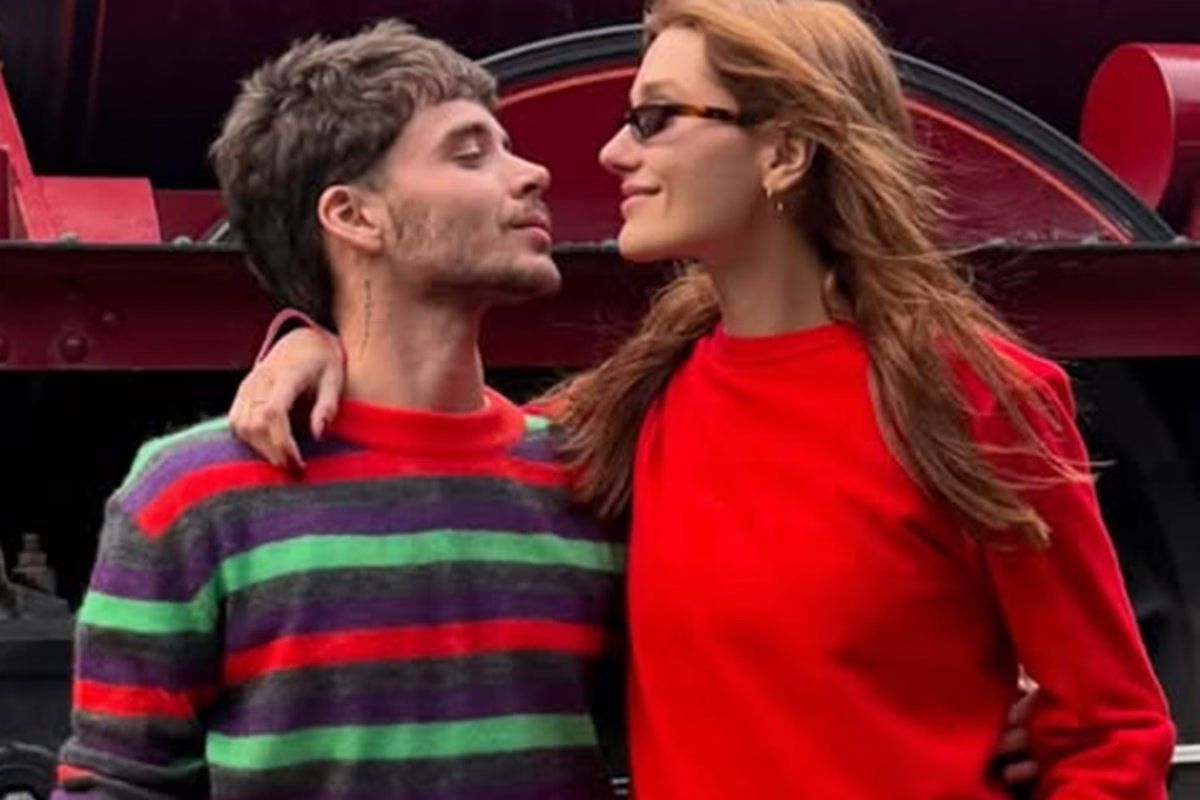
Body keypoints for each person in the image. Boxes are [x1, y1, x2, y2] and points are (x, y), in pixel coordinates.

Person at [227, 0, 1167, 797]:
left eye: (655, 119)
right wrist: (310, 335)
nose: (609, 153)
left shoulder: (978, 397)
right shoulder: (634, 404)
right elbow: (450, 436)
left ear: (785, 152)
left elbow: (1113, 734)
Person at [51, 20, 627, 800]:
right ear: (354, 217)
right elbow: (118, 783)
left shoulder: (586, 477)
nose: (533, 173)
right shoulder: (190, 496)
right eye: (469, 153)